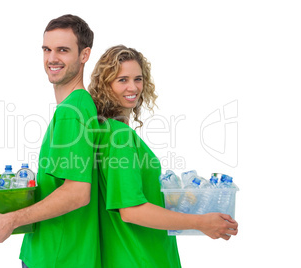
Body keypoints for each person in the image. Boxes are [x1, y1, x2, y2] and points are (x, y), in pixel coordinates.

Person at [88, 45, 238, 267]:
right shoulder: (120, 137)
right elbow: (131, 210)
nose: (133, 87)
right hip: (140, 257)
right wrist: (200, 222)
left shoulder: (105, 131)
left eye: (138, 78)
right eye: (122, 80)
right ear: (105, 85)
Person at [0, 15, 101, 268]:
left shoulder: (70, 113)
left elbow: (77, 193)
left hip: (56, 257)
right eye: (47, 49)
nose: (52, 58)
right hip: (66, 252)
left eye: (63, 50)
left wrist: (11, 219)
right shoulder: (82, 106)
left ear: (84, 55)